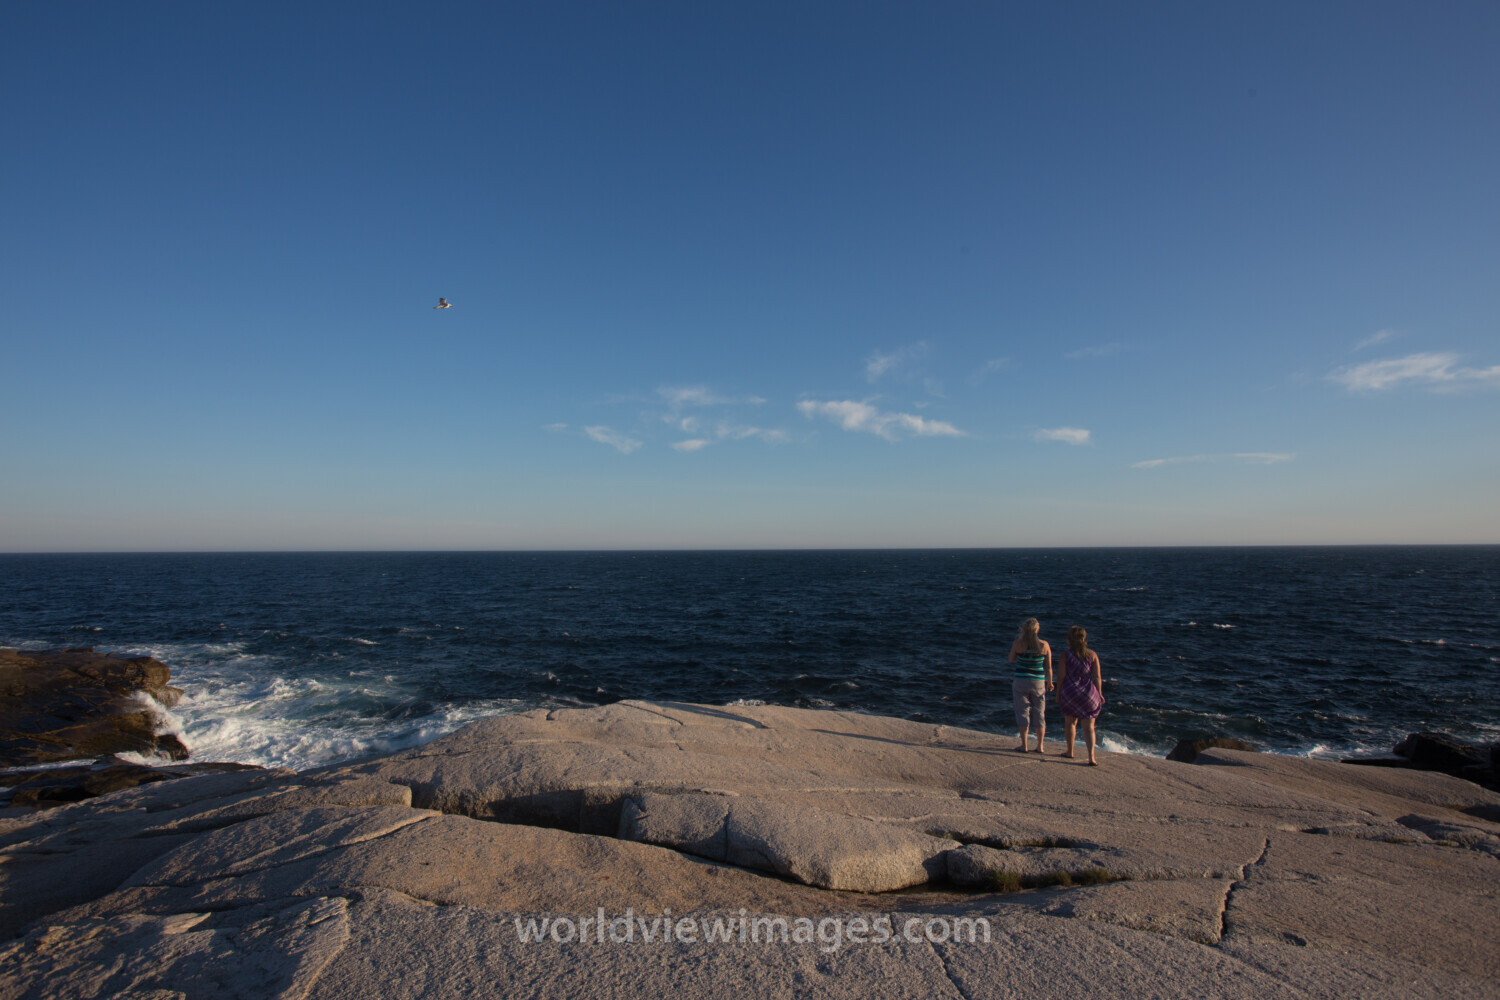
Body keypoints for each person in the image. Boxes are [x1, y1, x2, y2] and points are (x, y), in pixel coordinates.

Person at [1057, 625, 1105, 765]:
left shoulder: (1065, 655)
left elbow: (1061, 676)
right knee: (1089, 727)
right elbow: (1097, 677)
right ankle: (1091, 757)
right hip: (1088, 693)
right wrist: (1100, 694)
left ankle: (1070, 751)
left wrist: (1058, 693)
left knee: (1070, 723)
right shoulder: (1092, 655)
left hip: (1070, 692)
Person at [1008, 617, 1053, 753]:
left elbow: (1011, 659)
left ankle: (1024, 745)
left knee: (1022, 712)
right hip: (1038, 682)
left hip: (1021, 681)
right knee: (1039, 713)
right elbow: (1049, 667)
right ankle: (1040, 746)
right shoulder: (1044, 645)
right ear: (1037, 629)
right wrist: (1050, 682)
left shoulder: (1018, 644)